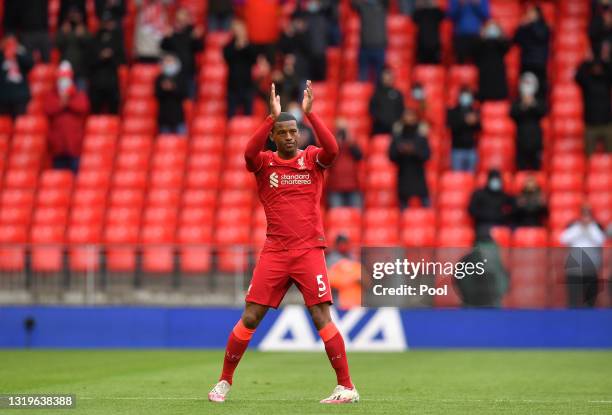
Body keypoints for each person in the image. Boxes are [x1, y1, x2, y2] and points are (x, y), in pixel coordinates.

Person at [208, 81, 359, 404]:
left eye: (294, 131)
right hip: (275, 251)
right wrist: (268, 118)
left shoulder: (313, 160)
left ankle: (346, 386)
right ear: (274, 137)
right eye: (284, 132)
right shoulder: (264, 164)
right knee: (250, 317)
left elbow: (333, 150)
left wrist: (311, 115)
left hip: (308, 251)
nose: (290, 136)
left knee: (321, 317)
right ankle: (224, 382)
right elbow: (248, 153)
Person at [43, 61, 90, 174]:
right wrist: (62, 104)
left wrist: (67, 101)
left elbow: (83, 107)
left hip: (74, 145)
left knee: (75, 178)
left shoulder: (77, 93)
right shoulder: (52, 94)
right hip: (57, 146)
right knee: (59, 179)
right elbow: (48, 108)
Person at [560, 205, 607, 307]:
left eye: (588, 215)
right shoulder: (574, 227)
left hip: (591, 267)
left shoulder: (595, 227)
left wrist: (589, 229)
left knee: (590, 296)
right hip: (574, 267)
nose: (586, 218)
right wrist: (580, 229)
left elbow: (600, 240)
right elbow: (563, 239)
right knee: (573, 296)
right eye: (584, 215)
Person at [389, 108, 431, 209]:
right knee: (404, 209)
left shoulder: (421, 137)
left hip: (418, 176)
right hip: (403, 176)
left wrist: (414, 151)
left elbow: (427, 155)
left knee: (426, 207)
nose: (409, 119)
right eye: (407, 116)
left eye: (411, 116)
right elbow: (391, 155)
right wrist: (400, 151)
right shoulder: (398, 137)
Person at [455, 228, 509, 307]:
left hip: (472, 304)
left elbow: (458, 278)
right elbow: (504, 281)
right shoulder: (498, 256)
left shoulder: (469, 257)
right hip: (493, 303)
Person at [160, 7, 204, 98]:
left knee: (190, 100)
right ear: (176, 19)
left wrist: (197, 39)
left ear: (188, 19)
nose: (182, 21)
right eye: (179, 18)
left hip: (189, 72)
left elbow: (199, 48)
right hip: (174, 73)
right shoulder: (172, 32)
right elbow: (164, 48)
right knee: (176, 99)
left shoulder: (192, 31)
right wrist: (166, 37)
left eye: (184, 18)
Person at [575, 50, 612, 156]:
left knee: (610, 156)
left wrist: (606, 61)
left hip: (607, 123)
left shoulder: (606, 80)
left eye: (599, 66)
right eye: (594, 66)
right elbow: (578, 77)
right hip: (590, 124)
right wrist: (586, 62)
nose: (597, 68)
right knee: (588, 157)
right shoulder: (587, 82)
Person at [88, 13, 125, 114]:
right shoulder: (94, 40)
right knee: (95, 113)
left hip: (112, 82)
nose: (107, 26)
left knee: (113, 113)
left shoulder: (117, 40)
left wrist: (111, 56)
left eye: (109, 23)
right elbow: (88, 61)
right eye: (105, 23)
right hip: (96, 82)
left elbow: (122, 60)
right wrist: (100, 57)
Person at [510, 72, 547, 170]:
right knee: (521, 171)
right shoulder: (517, 102)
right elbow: (512, 113)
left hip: (536, 142)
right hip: (521, 142)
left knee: (536, 170)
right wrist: (523, 105)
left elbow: (543, 111)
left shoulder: (538, 101)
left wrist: (533, 104)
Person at [513, 5, 550, 99]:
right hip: (526, 63)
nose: (529, 15)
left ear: (538, 14)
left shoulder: (543, 26)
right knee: (525, 89)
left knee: (540, 90)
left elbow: (541, 36)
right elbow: (516, 40)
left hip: (539, 64)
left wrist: (532, 24)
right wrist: (521, 27)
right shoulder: (525, 27)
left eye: (531, 13)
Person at [224, 20, 257, 117]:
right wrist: (237, 47)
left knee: (248, 114)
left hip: (247, 85)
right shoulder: (228, 47)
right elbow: (227, 58)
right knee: (231, 114)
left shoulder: (250, 46)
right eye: (237, 30)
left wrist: (245, 46)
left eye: (241, 30)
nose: (239, 32)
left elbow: (254, 59)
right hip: (232, 85)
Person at [327, 118, 363, 208]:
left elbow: (359, 156)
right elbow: (327, 159)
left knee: (355, 217)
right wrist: (335, 142)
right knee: (337, 217)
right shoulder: (331, 142)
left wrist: (350, 141)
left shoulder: (352, 142)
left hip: (352, 185)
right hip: (335, 185)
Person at [351, 0, 388, 82]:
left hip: (379, 47)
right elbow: (353, 4)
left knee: (380, 78)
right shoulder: (362, 6)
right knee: (362, 77)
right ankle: (362, 94)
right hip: (365, 47)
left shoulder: (383, 5)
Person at [468, 169, 514, 235]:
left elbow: (514, 206)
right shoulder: (479, 194)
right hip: (483, 225)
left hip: (500, 225)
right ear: (489, 180)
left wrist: (503, 216)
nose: (495, 182)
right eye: (493, 179)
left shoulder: (503, 195)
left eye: (497, 180)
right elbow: (471, 209)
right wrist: (485, 215)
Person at [55, 8, 92, 89]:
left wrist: (83, 36)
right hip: (66, 70)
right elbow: (57, 45)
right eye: (73, 14)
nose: (75, 17)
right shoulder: (64, 29)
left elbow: (91, 47)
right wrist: (63, 34)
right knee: (65, 96)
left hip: (81, 70)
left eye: (77, 14)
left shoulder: (84, 30)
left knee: (81, 97)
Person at [475, 20, 510, 101]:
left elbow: (507, 47)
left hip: (498, 75)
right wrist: (481, 37)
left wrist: (500, 36)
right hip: (485, 75)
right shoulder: (482, 43)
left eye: (494, 27)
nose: (491, 30)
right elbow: (474, 50)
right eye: (489, 27)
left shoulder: (500, 43)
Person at [447, 86, 480, 172]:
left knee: (471, 179)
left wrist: (475, 121)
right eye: (464, 94)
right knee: (458, 179)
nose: (466, 97)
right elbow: (451, 126)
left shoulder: (474, 111)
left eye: (468, 95)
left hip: (471, 150)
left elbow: (479, 128)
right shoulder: (453, 111)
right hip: (457, 150)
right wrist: (465, 121)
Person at [0, 35, 34, 118]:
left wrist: (17, 53)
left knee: (20, 122)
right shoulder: (1, 57)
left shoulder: (20, 55)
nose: (11, 46)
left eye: (13, 43)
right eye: (8, 43)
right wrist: (3, 52)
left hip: (20, 97)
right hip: (3, 97)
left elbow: (30, 63)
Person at [154, 54, 188, 134]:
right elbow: (157, 94)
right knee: (164, 143)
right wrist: (164, 89)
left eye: (170, 62)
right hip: (164, 116)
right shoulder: (159, 78)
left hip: (178, 116)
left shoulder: (181, 77)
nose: (168, 64)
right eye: (167, 62)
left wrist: (173, 88)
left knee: (181, 142)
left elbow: (184, 94)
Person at [327, 235, 362, 309]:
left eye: (344, 243)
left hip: (354, 301)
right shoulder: (331, 260)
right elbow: (329, 280)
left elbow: (362, 278)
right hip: (337, 299)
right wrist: (350, 279)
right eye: (340, 243)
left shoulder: (353, 259)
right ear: (336, 244)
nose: (343, 246)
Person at [369, 67, 405, 135]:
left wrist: (397, 122)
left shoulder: (398, 94)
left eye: (389, 78)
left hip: (394, 127)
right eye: (385, 78)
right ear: (382, 79)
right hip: (379, 127)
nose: (387, 80)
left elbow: (401, 109)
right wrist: (381, 120)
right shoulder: (376, 94)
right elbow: (372, 110)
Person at [412, 0, 445, 64]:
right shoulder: (420, 12)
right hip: (422, 46)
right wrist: (420, 6)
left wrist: (434, 5)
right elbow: (414, 18)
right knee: (421, 68)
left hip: (434, 46)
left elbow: (442, 15)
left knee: (435, 69)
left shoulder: (435, 12)